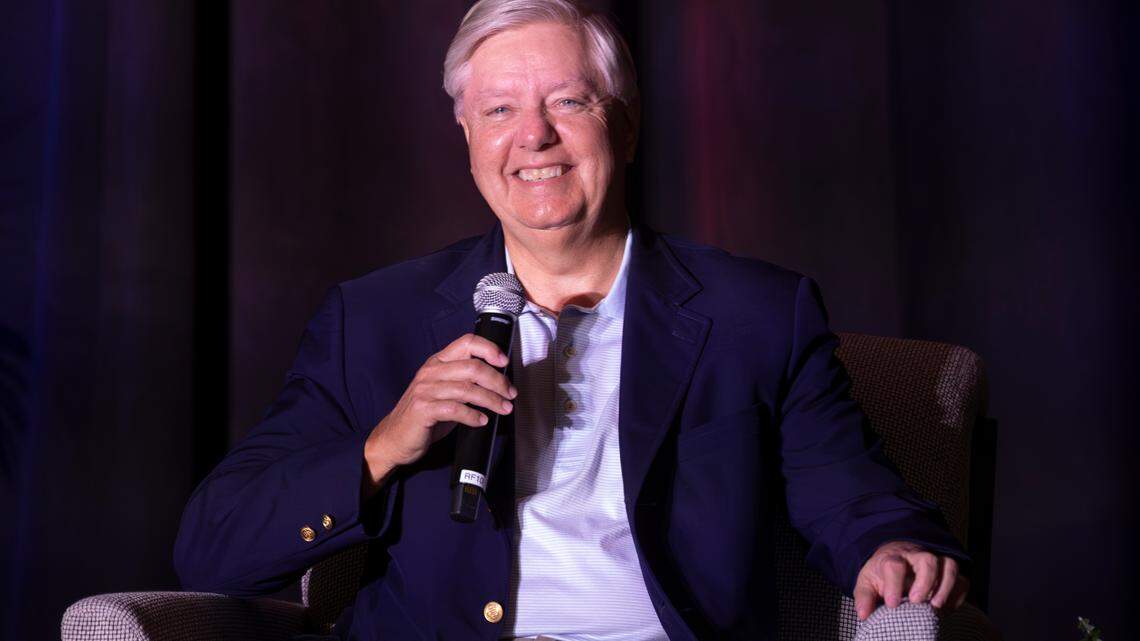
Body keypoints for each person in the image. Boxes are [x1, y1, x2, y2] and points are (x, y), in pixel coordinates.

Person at [174, 1, 971, 639]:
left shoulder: (755, 315)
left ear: (624, 125)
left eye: (567, 101)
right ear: (467, 136)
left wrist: (890, 546)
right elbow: (212, 548)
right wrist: (385, 444)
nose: (534, 136)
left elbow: (851, 494)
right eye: (499, 109)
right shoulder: (375, 319)